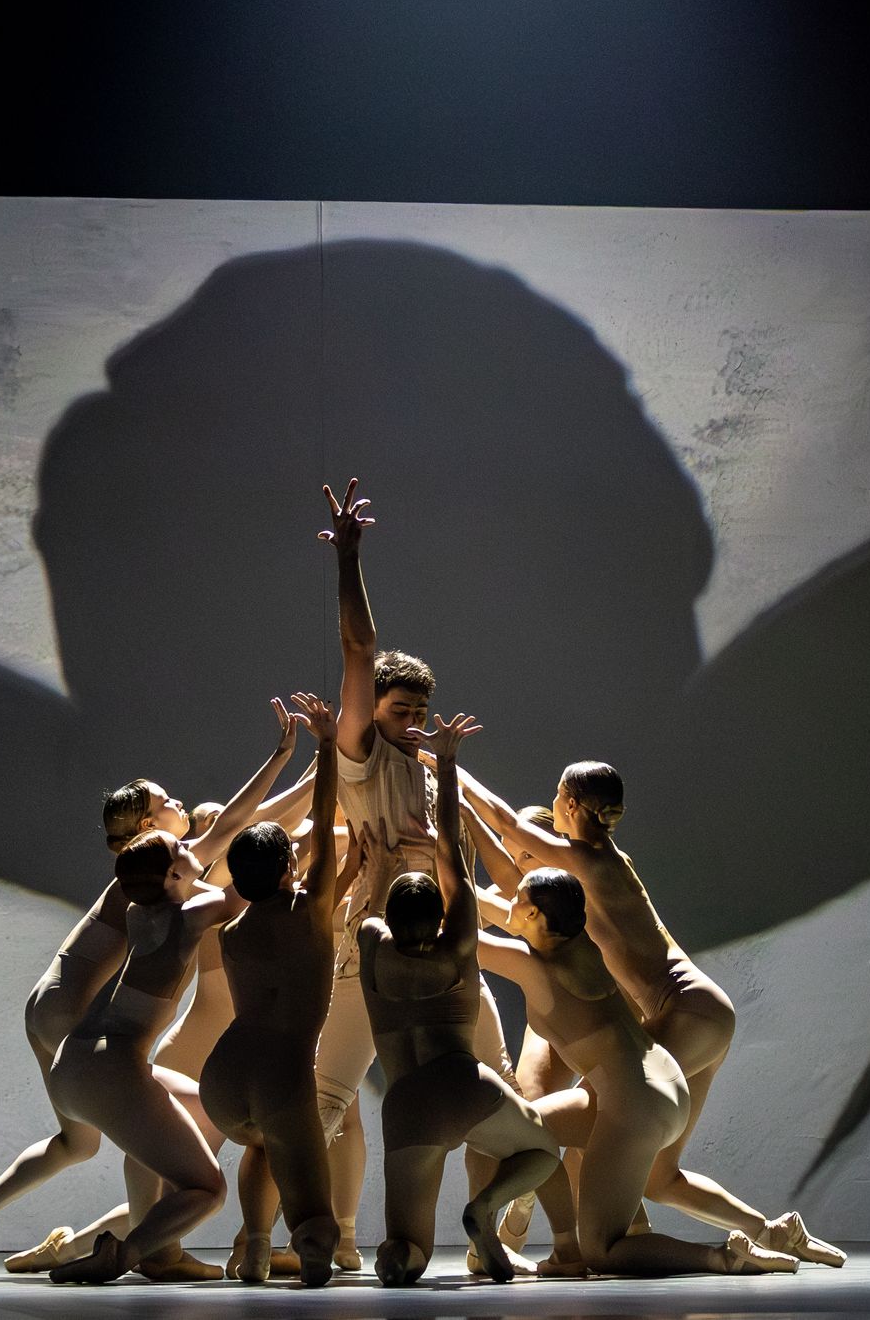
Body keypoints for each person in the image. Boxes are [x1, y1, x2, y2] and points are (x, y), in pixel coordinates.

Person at [0, 703, 304, 1277]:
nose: (181, 809)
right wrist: (306, 781)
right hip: (76, 1018)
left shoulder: (143, 890)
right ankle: (153, 1251)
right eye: (168, 805)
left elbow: (228, 833)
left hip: (60, 1019)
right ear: (148, 831)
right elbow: (239, 836)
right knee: (142, 1125)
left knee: (81, 1142)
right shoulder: (162, 893)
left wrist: (295, 771)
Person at [459, 760, 845, 1267]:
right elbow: (510, 862)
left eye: (556, 799)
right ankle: (770, 1232)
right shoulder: (578, 881)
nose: (549, 812)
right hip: (704, 1016)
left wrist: (445, 770)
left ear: (571, 805)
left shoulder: (594, 862)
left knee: (599, 1123)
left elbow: (508, 828)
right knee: (661, 1176)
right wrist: (457, 812)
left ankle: (599, 1243)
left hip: (687, 1010)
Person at [314, 478, 529, 1274]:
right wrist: (350, 558)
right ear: (372, 710)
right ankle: (319, 1240)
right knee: (325, 1101)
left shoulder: (436, 772)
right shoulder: (365, 762)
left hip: (447, 958)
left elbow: (472, 853)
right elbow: (357, 651)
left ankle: (491, 1241)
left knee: (497, 1091)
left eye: (418, 710)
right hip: (371, 954)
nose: (410, 720)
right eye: (397, 709)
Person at [475, 867, 799, 1276]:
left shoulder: (529, 963)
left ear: (537, 915)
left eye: (519, 899)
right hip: (654, 1081)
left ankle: (723, 1256)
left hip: (636, 1100)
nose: (509, 903)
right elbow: (495, 909)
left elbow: (462, 939)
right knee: (529, 1128)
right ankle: (560, 1249)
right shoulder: (583, 948)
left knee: (603, 1249)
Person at [354, 712, 559, 1286]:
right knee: (542, 1153)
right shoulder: (456, 948)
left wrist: (379, 869)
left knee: (402, 1253)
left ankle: (409, 1256)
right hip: (464, 1086)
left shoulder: (373, 944)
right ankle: (486, 1209)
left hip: (407, 1103)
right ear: (441, 916)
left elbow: (373, 907)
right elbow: (452, 862)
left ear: (390, 918)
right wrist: (444, 764)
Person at [200, 694, 348, 1286]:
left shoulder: (232, 933)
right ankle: (307, 1258)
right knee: (314, 1210)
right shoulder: (311, 909)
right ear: (292, 864)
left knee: (262, 1148)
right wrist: (329, 744)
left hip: (225, 1079)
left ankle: (256, 1248)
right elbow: (327, 808)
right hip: (282, 1075)